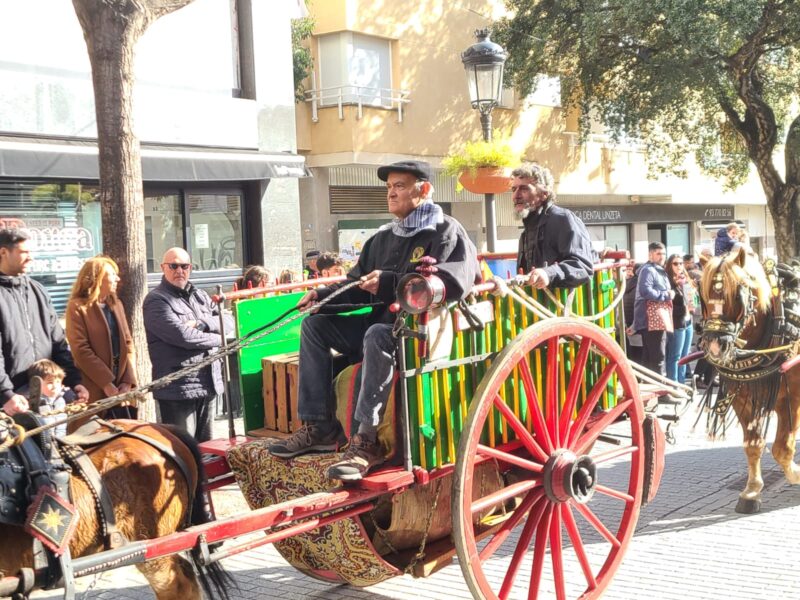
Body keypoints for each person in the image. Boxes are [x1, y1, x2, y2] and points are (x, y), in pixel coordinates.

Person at [269, 160, 479, 480]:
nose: (391, 194)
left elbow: (453, 284)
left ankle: (366, 440)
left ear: (423, 190)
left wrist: (389, 281)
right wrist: (323, 297)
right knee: (315, 325)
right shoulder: (381, 239)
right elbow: (357, 285)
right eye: (388, 187)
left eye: (399, 186)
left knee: (377, 333)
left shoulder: (447, 230)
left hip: (420, 335)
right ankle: (320, 426)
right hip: (380, 328)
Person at [143, 247, 234, 442]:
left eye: (184, 266)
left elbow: (229, 322)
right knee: (183, 452)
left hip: (208, 382)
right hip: (178, 390)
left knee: (208, 451)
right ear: (163, 268)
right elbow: (184, 336)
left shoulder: (200, 295)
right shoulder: (156, 301)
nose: (179, 271)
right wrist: (221, 340)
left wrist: (203, 324)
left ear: (190, 268)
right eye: (173, 266)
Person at [0, 228, 89, 416]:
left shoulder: (37, 290)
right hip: (11, 403)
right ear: (3, 252)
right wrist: (5, 394)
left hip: (48, 397)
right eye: (24, 252)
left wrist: (75, 381)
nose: (30, 258)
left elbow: (58, 342)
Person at [65, 256, 138, 420]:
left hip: (121, 390)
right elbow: (81, 350)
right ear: (97, 278)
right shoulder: (77, 307)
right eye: (112, 274)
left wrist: (128, 381)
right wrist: (106, 384)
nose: (117, 278)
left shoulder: (116, 304)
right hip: (94, 390)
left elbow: (128, 344)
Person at [511, 163, 595, 288]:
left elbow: (583, 266)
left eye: (524, 189)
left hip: (565, 306)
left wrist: (548, 273)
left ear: (544, 194)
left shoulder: (563, 219)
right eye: (514, 189)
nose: (516, 196)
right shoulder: (526, 234)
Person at [632, 242, 674, 381]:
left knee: (650, 355)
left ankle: (650, 389)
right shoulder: (649, 270)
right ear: (650, 255)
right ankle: (660, 391)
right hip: (652, 318)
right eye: (658, 254)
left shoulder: (657, 270)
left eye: (663, 253)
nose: (662, 257)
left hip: (654, 317)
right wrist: (666, 295)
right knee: (658, 356)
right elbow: (645, 291)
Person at [24, 359, 74, 437]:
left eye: (58, 382)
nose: (55, 386)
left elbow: (61, 424)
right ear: (37, 384)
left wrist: (61, 439)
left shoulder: (60, 400)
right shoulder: (36, 403)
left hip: (60, 437)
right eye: (50, 382)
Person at [664, 254, 694, 383]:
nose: (679, 266)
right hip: (677, 323)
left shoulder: (685, 279)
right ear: (670, 265)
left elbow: (692, 300)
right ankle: (673, 384)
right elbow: (670, 304)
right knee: (675, 356)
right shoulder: (668, 281)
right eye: (675, 263)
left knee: (685, 356)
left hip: (688, 321)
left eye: (681, 263)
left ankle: (681, 383)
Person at [622, 263, 642, 365]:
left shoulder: (626, 284)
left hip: (628, 325)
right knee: (640, 357)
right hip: (637, 326)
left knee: (632, 355)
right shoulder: (639, 287)